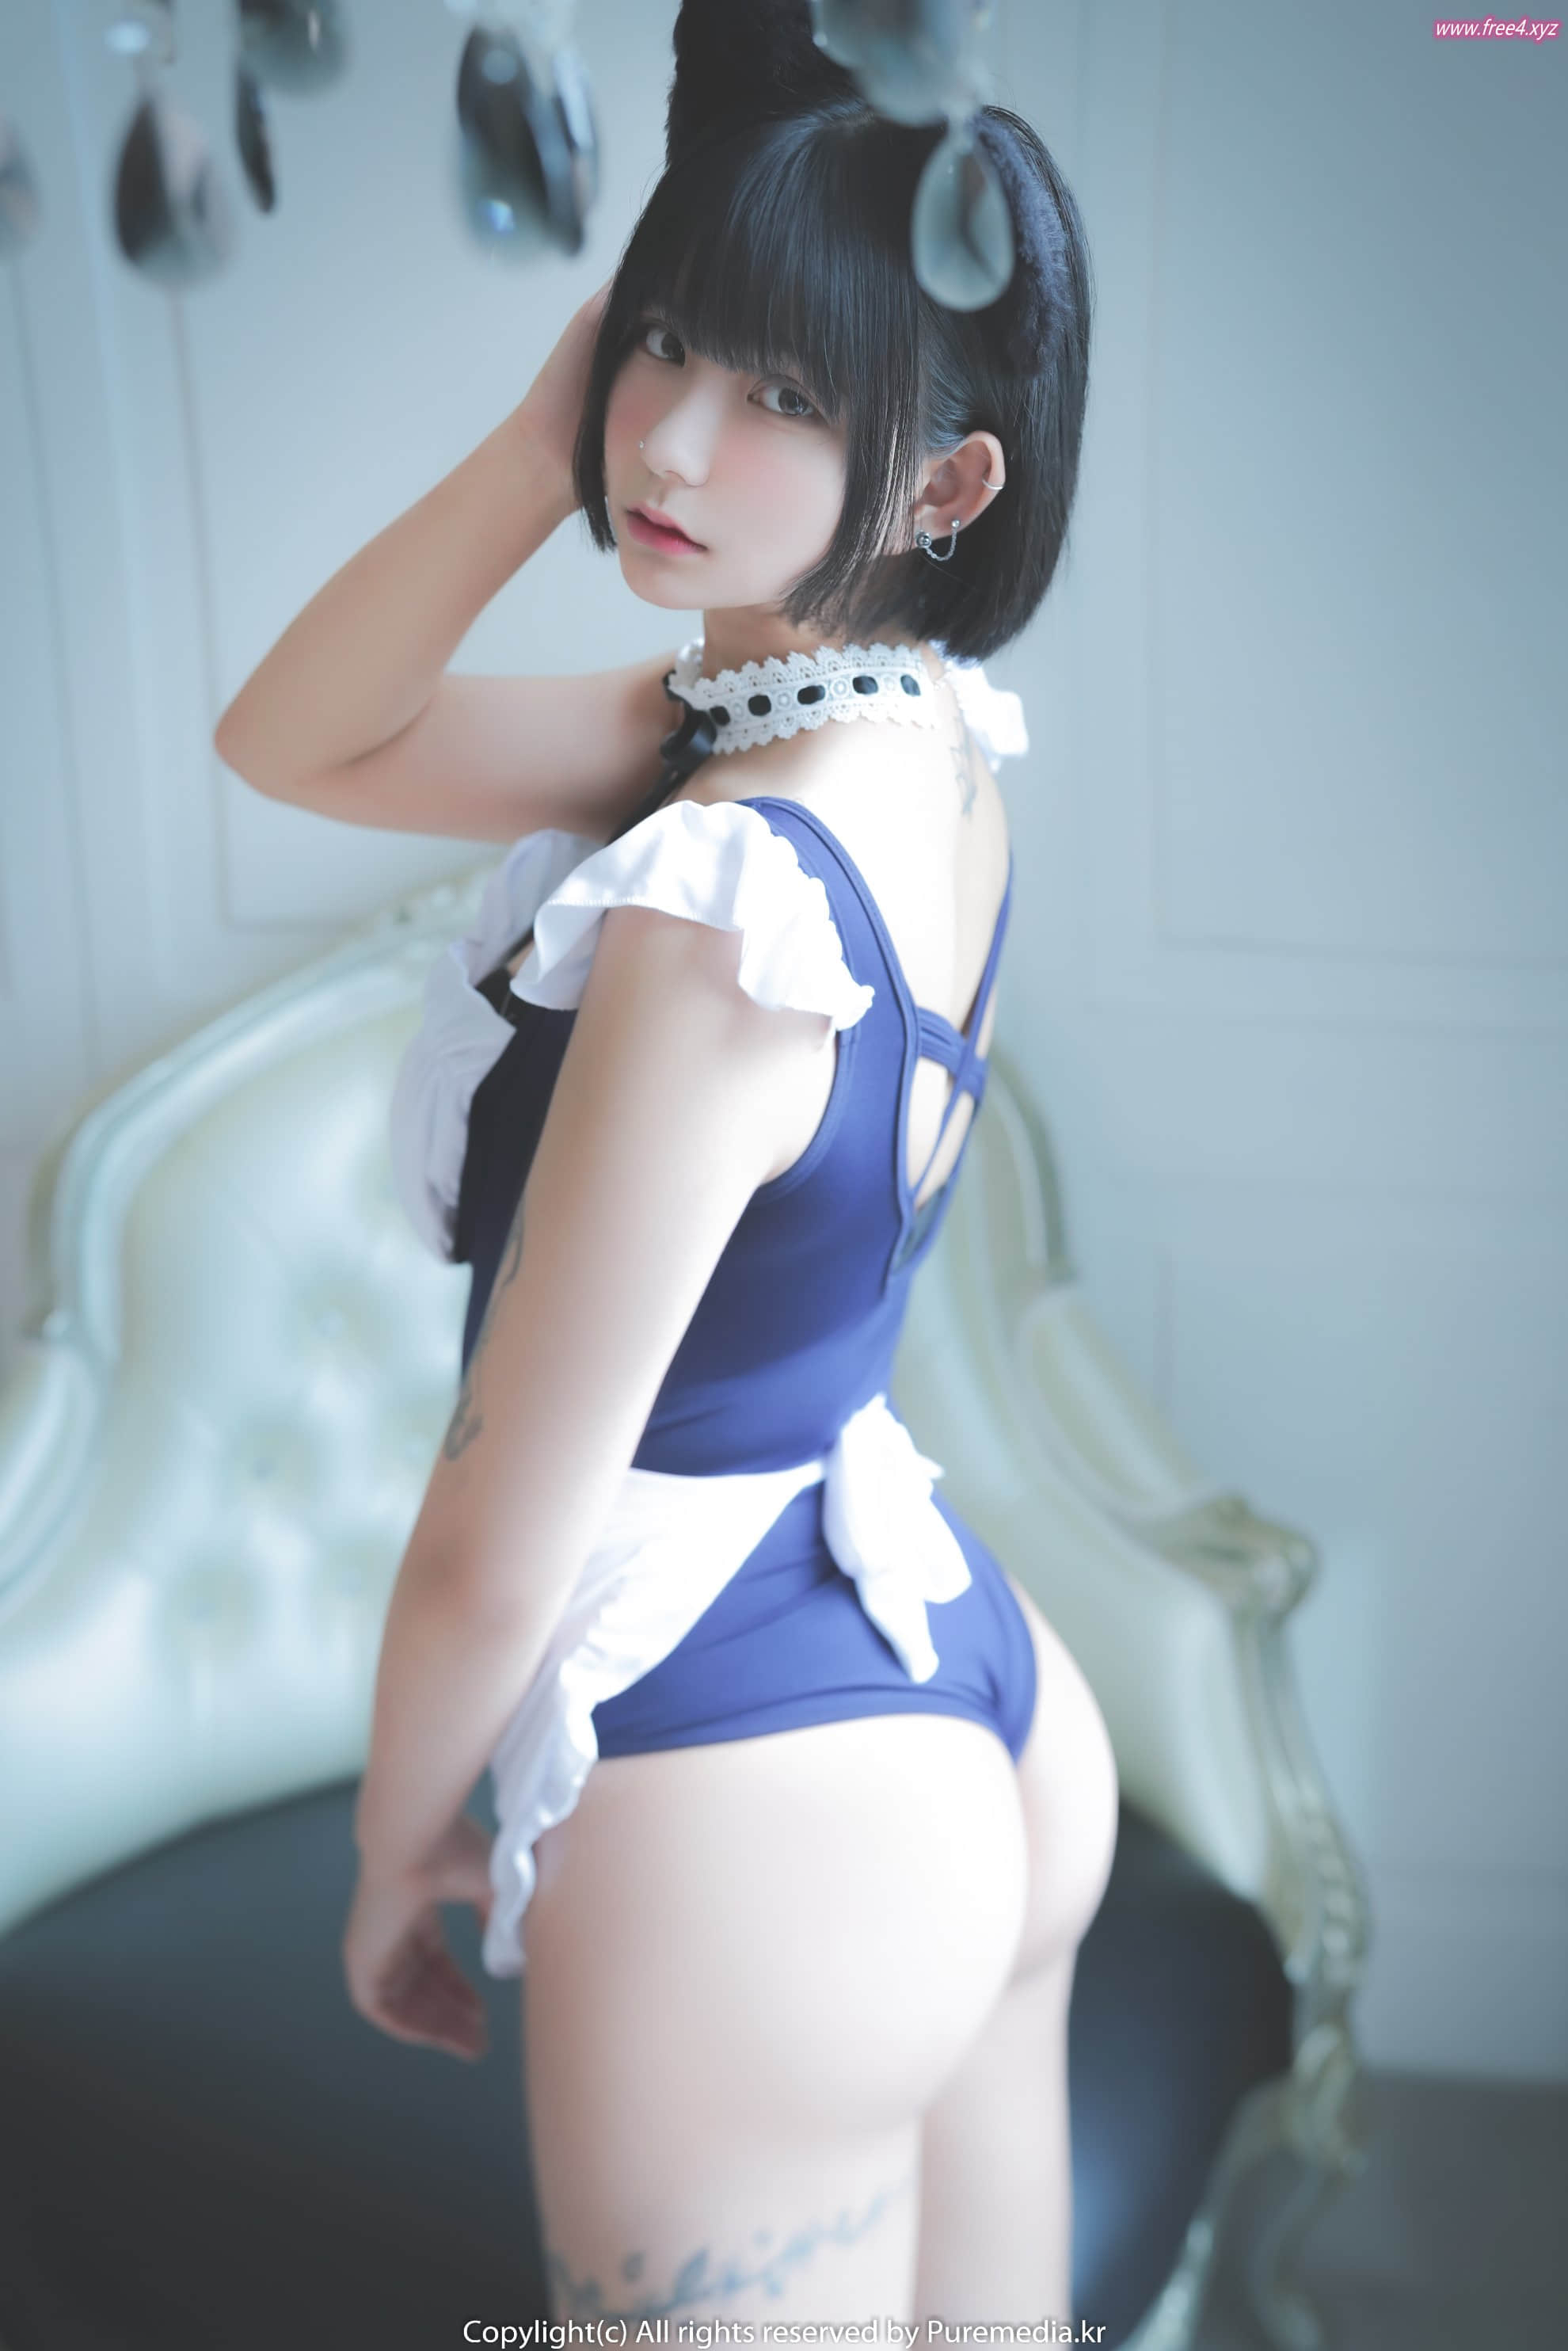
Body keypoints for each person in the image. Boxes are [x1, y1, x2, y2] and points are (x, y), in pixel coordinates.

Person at [215, 2, 1120, 2325]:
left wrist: (393, 1847)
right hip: (955, 1684)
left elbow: (493, 1538)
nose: (677, 440)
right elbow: (295, 739)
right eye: (665, 348)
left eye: (787, 394)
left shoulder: (726, 903)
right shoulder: (884, 739)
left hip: (751, 1779)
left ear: (944, 487)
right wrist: (549, 438)